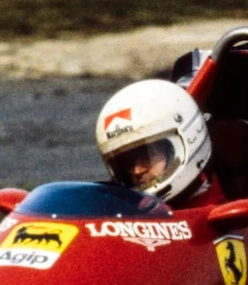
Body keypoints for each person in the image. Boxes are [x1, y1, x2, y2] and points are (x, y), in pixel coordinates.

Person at [94, 80, 223, 208]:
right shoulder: (123, 213)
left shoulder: (226, 219)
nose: (137, 171)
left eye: (146, 156)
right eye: (127, 163)